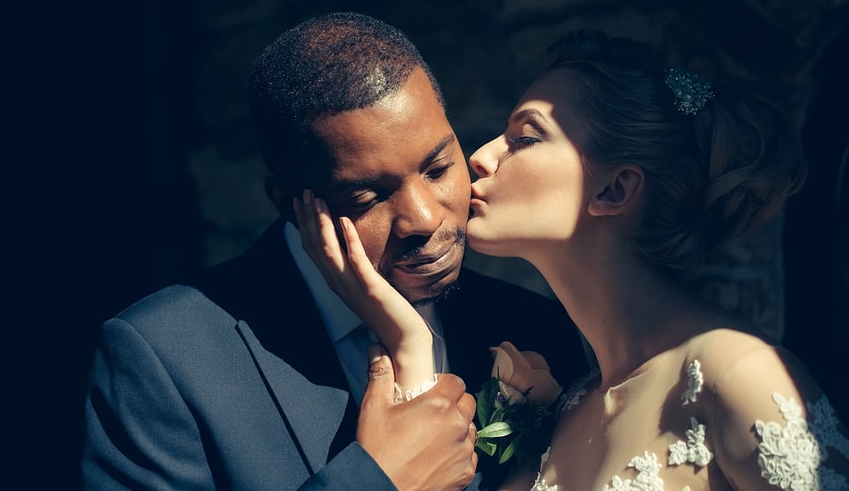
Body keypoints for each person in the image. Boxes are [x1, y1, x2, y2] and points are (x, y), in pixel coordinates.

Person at [300, 29, 849, 490]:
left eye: (524, 137)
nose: (481, 157)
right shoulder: (565, 409)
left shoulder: (735, 374)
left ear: (613, 190)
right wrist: (412, 349)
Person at [81, 12, 591, 491]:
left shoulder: (536, 329)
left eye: (438, 169)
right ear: (287, 203)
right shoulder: (164, 358)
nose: (425, 218)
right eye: (367, 198)